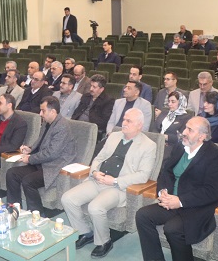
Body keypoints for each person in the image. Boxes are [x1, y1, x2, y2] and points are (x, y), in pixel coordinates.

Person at [62, 108, 157, 258]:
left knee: (95, 207)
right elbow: (98, 158)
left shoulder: (148, 145)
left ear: (139, 125)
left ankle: (104, 242)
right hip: (98, 180)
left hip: (118, 187)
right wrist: (95, 172)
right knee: (67, 198)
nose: (124, 123)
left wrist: (115, 180)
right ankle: (85, 232)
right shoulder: (114, 136)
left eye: (129, 121)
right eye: (124, 119)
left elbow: (143, 175)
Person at [136, 116, 218, 261]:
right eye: (185, 127)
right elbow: (166, 171)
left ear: (202, 136)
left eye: (190, 130)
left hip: (196, 206)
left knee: (172, 229)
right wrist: (163, 192)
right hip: (171, 200)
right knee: (142, 215)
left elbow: (212, 190)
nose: (184, 132)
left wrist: (180, 201)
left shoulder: (215, 156)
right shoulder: (180, 147)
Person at [6, 96, 76, 215]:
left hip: (55, 165)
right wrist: (30, 149)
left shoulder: (62, 126)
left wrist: (30, 158)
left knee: (28, 181)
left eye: (43, 111)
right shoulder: (47, 122)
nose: (40, 114)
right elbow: (41, 142)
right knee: (12, 173)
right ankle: (14, 210)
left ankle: (37, 215)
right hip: (42, 162)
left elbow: (52, 153)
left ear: (52, 111)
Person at [72, 74, 115, 139]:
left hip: (91, 128)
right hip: (77, 125)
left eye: (94, 87)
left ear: (101, 89)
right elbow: (76, 113)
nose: (91, 89)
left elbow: (104, 122)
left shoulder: (108, 101)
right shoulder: (86, 96)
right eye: (91, 86)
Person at [151, 91, 191, 160]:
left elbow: (182, 137)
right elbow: (155, 128)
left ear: (180, 102)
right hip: (157, 142)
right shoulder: (164, 112)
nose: (169, 104)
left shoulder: (186, 118)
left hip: (172, 146)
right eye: (169, 101)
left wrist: (166, 137)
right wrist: (158, 139)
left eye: (173, 102)